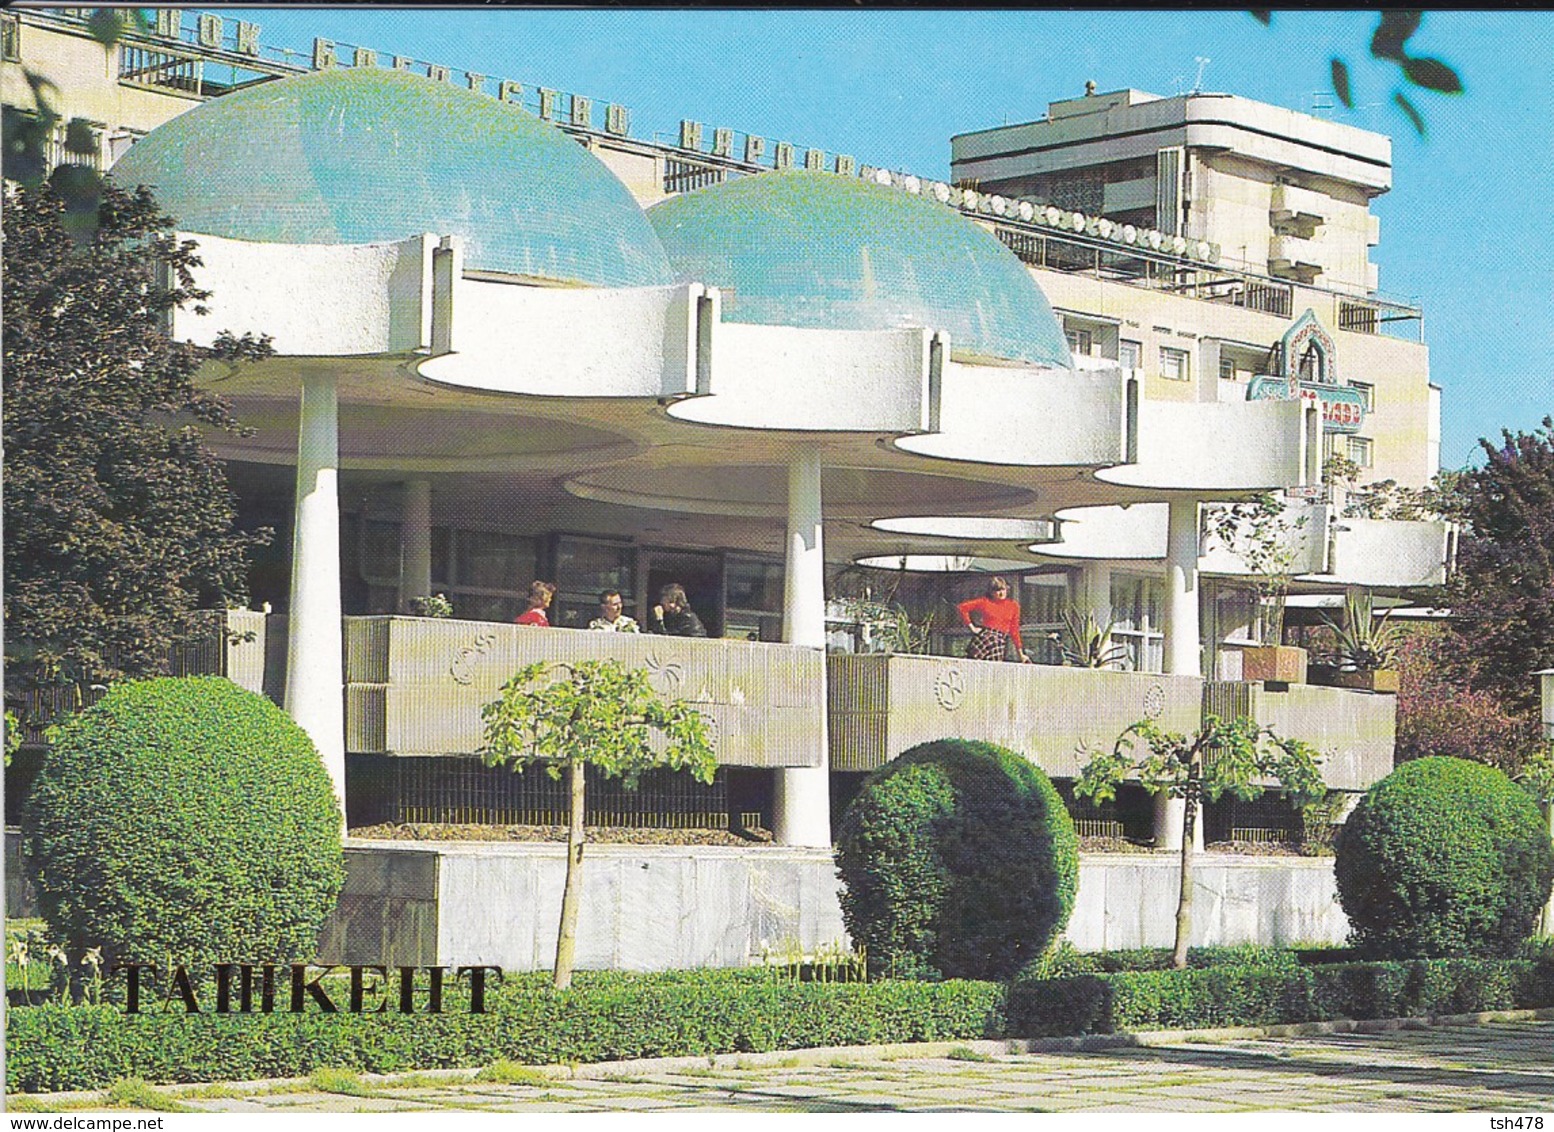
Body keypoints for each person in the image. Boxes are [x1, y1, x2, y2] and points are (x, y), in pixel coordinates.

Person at [957, 576, 1031, 663]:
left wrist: (1020, 654)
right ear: (991, 592)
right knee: (972, 664)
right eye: (997, 590)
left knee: (993, 669)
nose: (1001, 593)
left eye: (1003, 589)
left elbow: (1014, 630)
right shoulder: (985, 602)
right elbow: (962, 608)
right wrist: (971, 627)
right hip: (985, 638)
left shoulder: (1013, 606)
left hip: (999, 640)